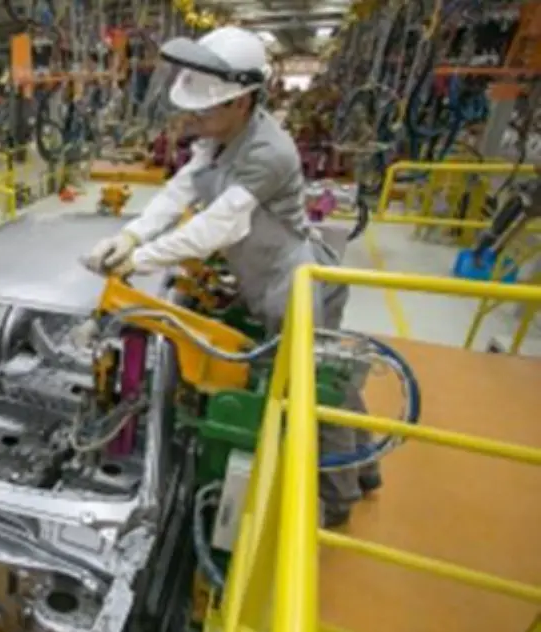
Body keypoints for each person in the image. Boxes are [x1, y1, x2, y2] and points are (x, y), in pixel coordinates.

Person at [84, 26, 379, 528]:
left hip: (297, 284)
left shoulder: (269, 151)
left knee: (315, 387)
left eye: (204, 111)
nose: (194, 120)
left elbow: (216, 226)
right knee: (328, 378)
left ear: (242, 101)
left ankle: (337, 498)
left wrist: (141, 260)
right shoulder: (220, 138)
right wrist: (131, 236)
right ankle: (365, 467)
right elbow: (182, 190)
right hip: (263, 279)